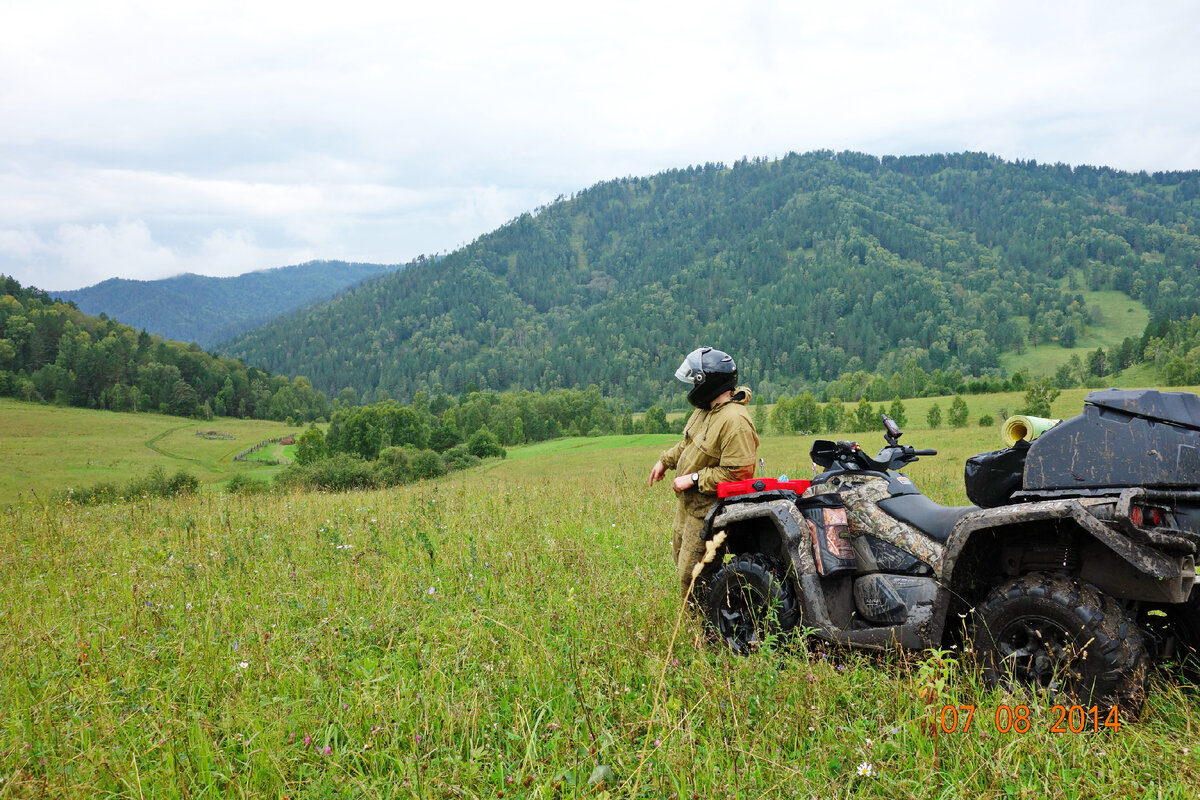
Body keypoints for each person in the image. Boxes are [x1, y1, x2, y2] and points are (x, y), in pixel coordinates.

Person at [649, 347, 759, 600]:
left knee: (694, 577)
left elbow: (738, 474)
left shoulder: (735, 421)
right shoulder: (705, 410)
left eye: (695, 380)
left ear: (709, 382)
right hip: (687, 507)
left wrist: (695, 478)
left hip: (707, 511)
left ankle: (704, 629)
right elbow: (688, 445)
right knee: (681, 566)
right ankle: (695, 626)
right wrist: (664, 461)